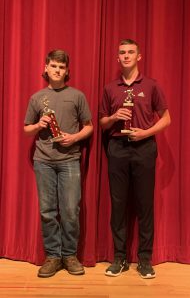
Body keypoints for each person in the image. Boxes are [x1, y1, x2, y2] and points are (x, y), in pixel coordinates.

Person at [99, 39, 171, 279]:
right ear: (117, 58)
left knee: (144, 205)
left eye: (131, 52)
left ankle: (145, 259)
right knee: (118, 205)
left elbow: (166, 118)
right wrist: (113, 117)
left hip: (144, 147)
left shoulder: (151, 85)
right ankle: (119, 258)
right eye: (122, 52)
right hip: (117, 147)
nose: (126, 56)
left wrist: (145, 132)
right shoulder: (110, 88)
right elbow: (101, 122)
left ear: (139, 57)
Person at [24, 50, 93, 278]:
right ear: (46, 68)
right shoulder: (36, 98)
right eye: (53, 66)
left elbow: (89, 126)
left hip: (70, 160)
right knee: (47, 211)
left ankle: (70, 255)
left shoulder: (77, 96)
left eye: (61, 67)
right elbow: (26, 129)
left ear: (67, 71)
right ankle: (53, 256)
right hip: (43, 161)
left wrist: (74, 138)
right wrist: (38, 125)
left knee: (71, 210)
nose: (57, 70)